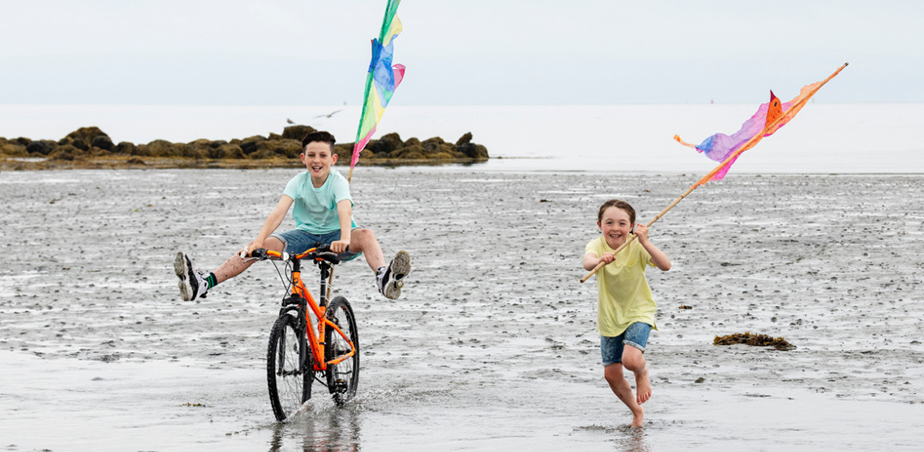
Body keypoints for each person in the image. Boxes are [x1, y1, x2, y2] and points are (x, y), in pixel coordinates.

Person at [174, 130, 411, 302]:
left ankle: (384, 278)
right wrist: (258, 240)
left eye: (323, 155)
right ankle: (203, 283)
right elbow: (279, 212)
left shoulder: (338, 182)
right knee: (255, 248)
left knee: (367, 234)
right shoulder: (297, 182)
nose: (316, 161)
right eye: (311, 155)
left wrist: (346, 237)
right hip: (304, 236)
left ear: (333, 159)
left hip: (339, 236)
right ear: (303, 158)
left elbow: (344, 210)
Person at [583, 199, 670, 428]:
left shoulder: (637, 245)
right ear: (599, 225)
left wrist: (645, 241)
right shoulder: (596, 245)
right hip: (610, 317)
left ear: (631, 226)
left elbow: (665, 265)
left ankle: (642, 372)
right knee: (611, 375)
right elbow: (587, 262)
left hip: (638, 312)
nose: (615, 228)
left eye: (622, 223)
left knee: (630, 360)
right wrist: (599, 260)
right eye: (609, 222)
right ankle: (636, 411)